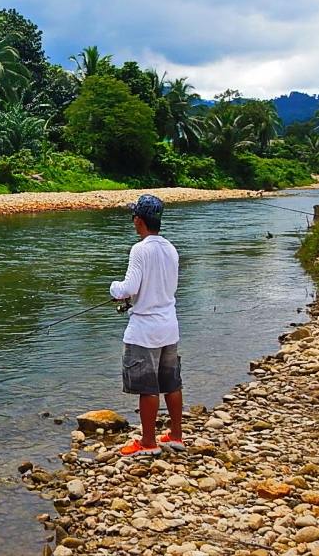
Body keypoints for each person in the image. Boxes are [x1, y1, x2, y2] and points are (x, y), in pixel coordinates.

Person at [109, 194, 183, 457]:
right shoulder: (171, 248)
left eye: (133, 217)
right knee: (172, 384)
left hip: (144, 331)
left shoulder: (139, 249)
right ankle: (176, 435)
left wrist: (113, 288)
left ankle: (148, 443)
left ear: (139, 220)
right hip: (169, 326)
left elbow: (128, 288)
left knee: (148, 389)